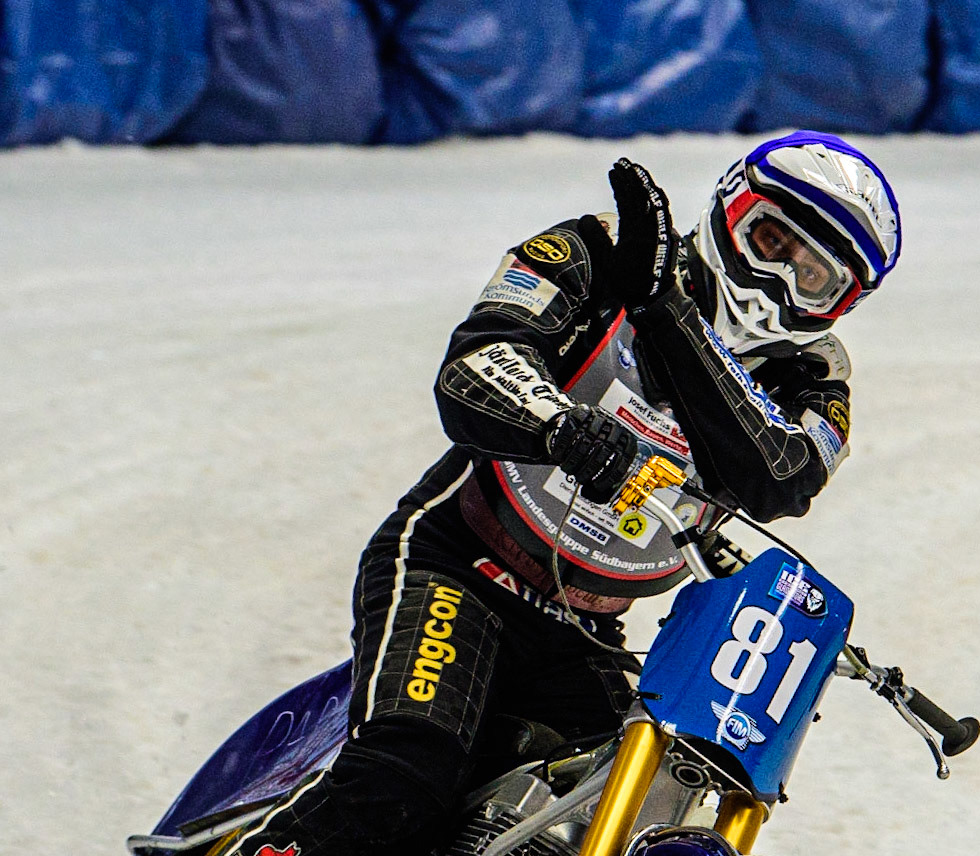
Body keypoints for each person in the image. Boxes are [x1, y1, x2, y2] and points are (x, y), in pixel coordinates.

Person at [213, 130, 901, 856]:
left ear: (845, 302)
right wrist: (561, 425)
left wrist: (666, 308)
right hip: (458, 561)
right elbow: (472, 364)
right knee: (405, 778)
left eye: (814, 279)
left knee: (592, 816)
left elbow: (780, 480)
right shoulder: (603, 249)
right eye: (770, 242)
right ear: (730, 209)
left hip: (584, 628)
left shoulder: (815, 378)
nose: (777, 285)